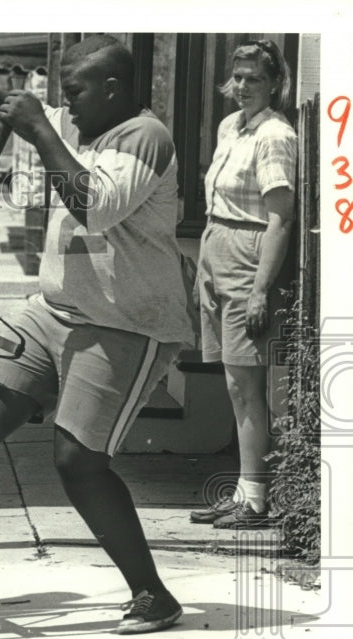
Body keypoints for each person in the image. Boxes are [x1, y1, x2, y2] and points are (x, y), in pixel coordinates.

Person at [0, 35, 196, 634]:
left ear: (112, 89)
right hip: (56, 310)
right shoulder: (81, 119)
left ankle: (152, 595)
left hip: (126, 323)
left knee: (78, 459)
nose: (68, 106)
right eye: (64, 96)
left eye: (76, 93)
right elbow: (12, 102)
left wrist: (41, 130)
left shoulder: (144, 136)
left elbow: (95, 205)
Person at [189, 39, 296, 530]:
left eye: (255, 78)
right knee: (233, 383)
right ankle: (241, 491)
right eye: (238, 77)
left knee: (245, 383)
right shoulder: (231, 127)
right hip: (218, 250)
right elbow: (217, 202)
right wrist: (204, 270)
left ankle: (255, 499)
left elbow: (280, 218)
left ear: (275, 83)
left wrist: (259, 289)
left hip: (249, 256)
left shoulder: (275, 135)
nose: (243, 86)